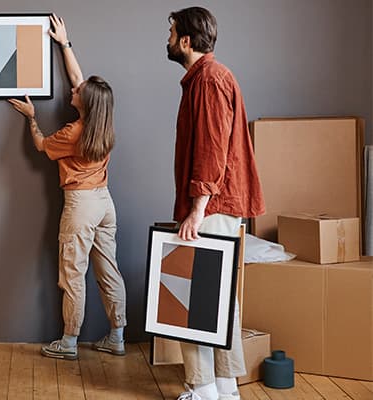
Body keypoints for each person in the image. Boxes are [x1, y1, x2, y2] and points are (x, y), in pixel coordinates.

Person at [9, 14, 127, 361]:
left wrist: (31, 117)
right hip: (105, 203)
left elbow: (43, 147)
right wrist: (64, 43)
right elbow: (80, 81)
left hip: (80, 206)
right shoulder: (102, 121)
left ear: (85, 102)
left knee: (72, 274)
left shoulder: (72, 134)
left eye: (78, 92)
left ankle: (69, 341)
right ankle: (117, 335)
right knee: (109, 269)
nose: (73, 89)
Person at [165, 7, 265, 400]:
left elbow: (211, 148)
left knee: (192, 300)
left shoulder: (208, 80)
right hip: (222, 205)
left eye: (173, 33)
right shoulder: (208, 78)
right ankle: (224, 388)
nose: (169, 40)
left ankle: (204, 390)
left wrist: (197, 209)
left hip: (213, 205)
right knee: (219, 299)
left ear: (186, 40)